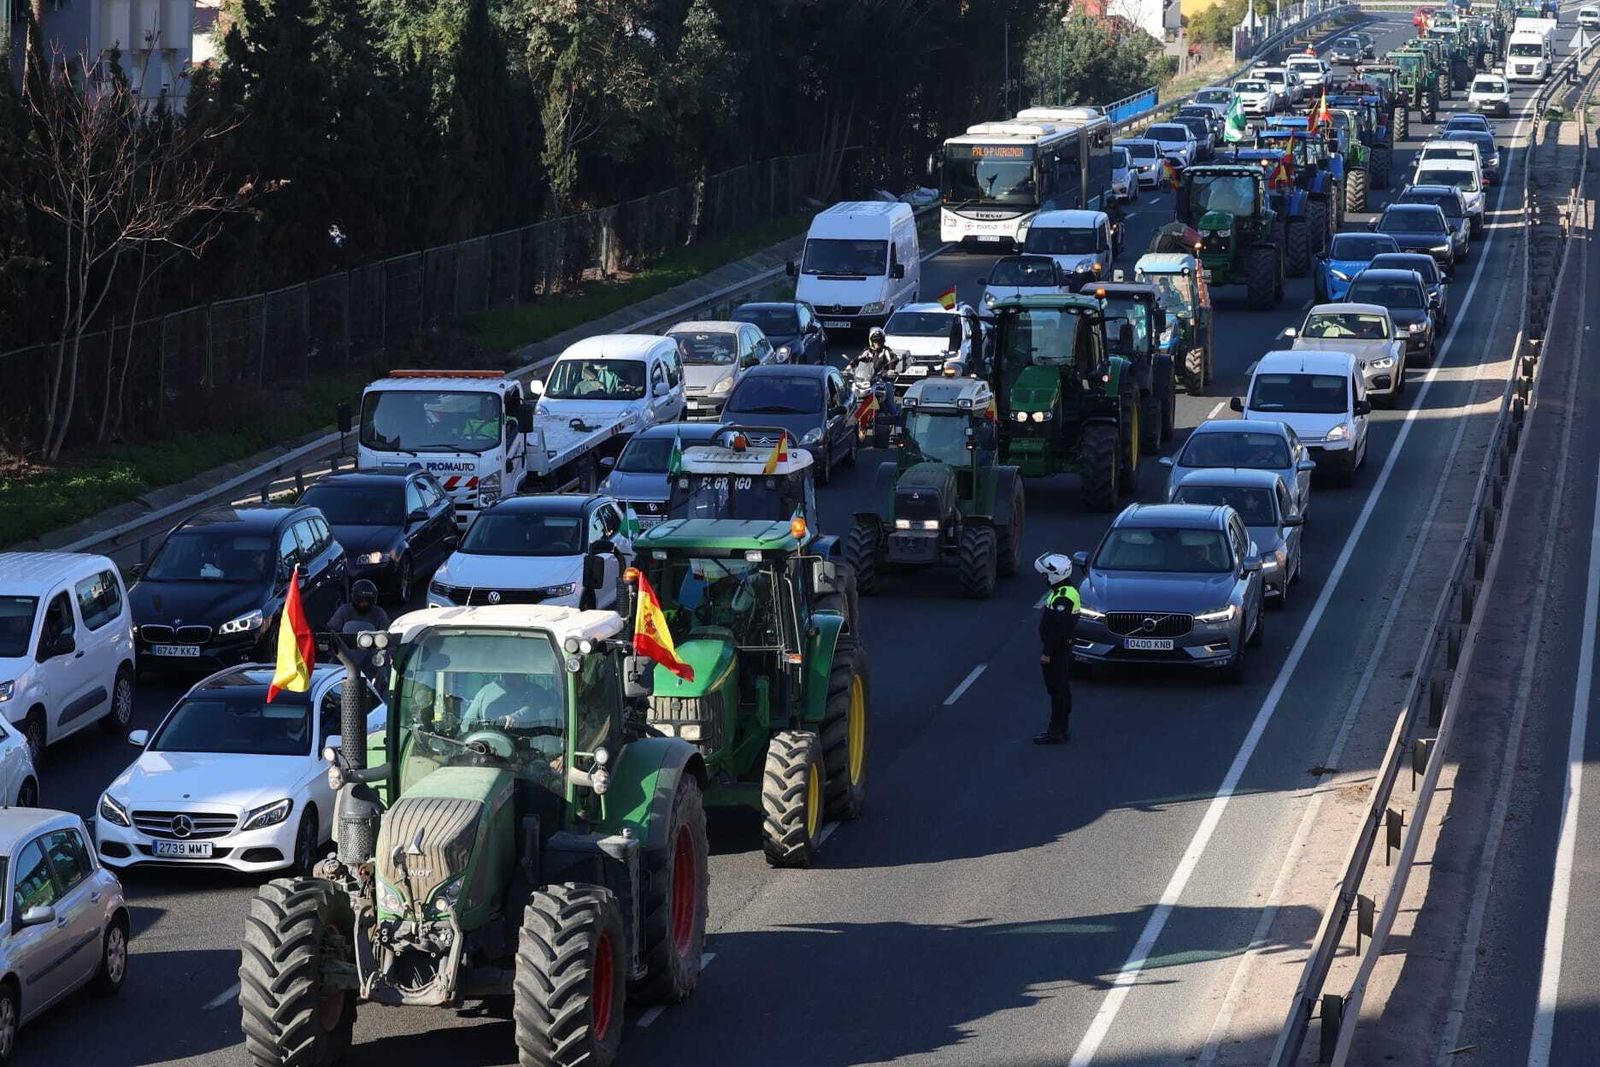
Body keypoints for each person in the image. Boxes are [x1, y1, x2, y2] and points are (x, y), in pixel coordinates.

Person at [1033, 552, 1080, 744]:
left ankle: (1056, 732)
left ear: (1055, 575)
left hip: (1058, 651)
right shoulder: (1064, 591)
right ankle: (1062, 728)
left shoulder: (1063, 598)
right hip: (1061, 649)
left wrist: (1047, 653)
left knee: (1058, 691)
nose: (1044, 577)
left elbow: (1058, 629)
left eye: (1046, 574)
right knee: (1061, 690)